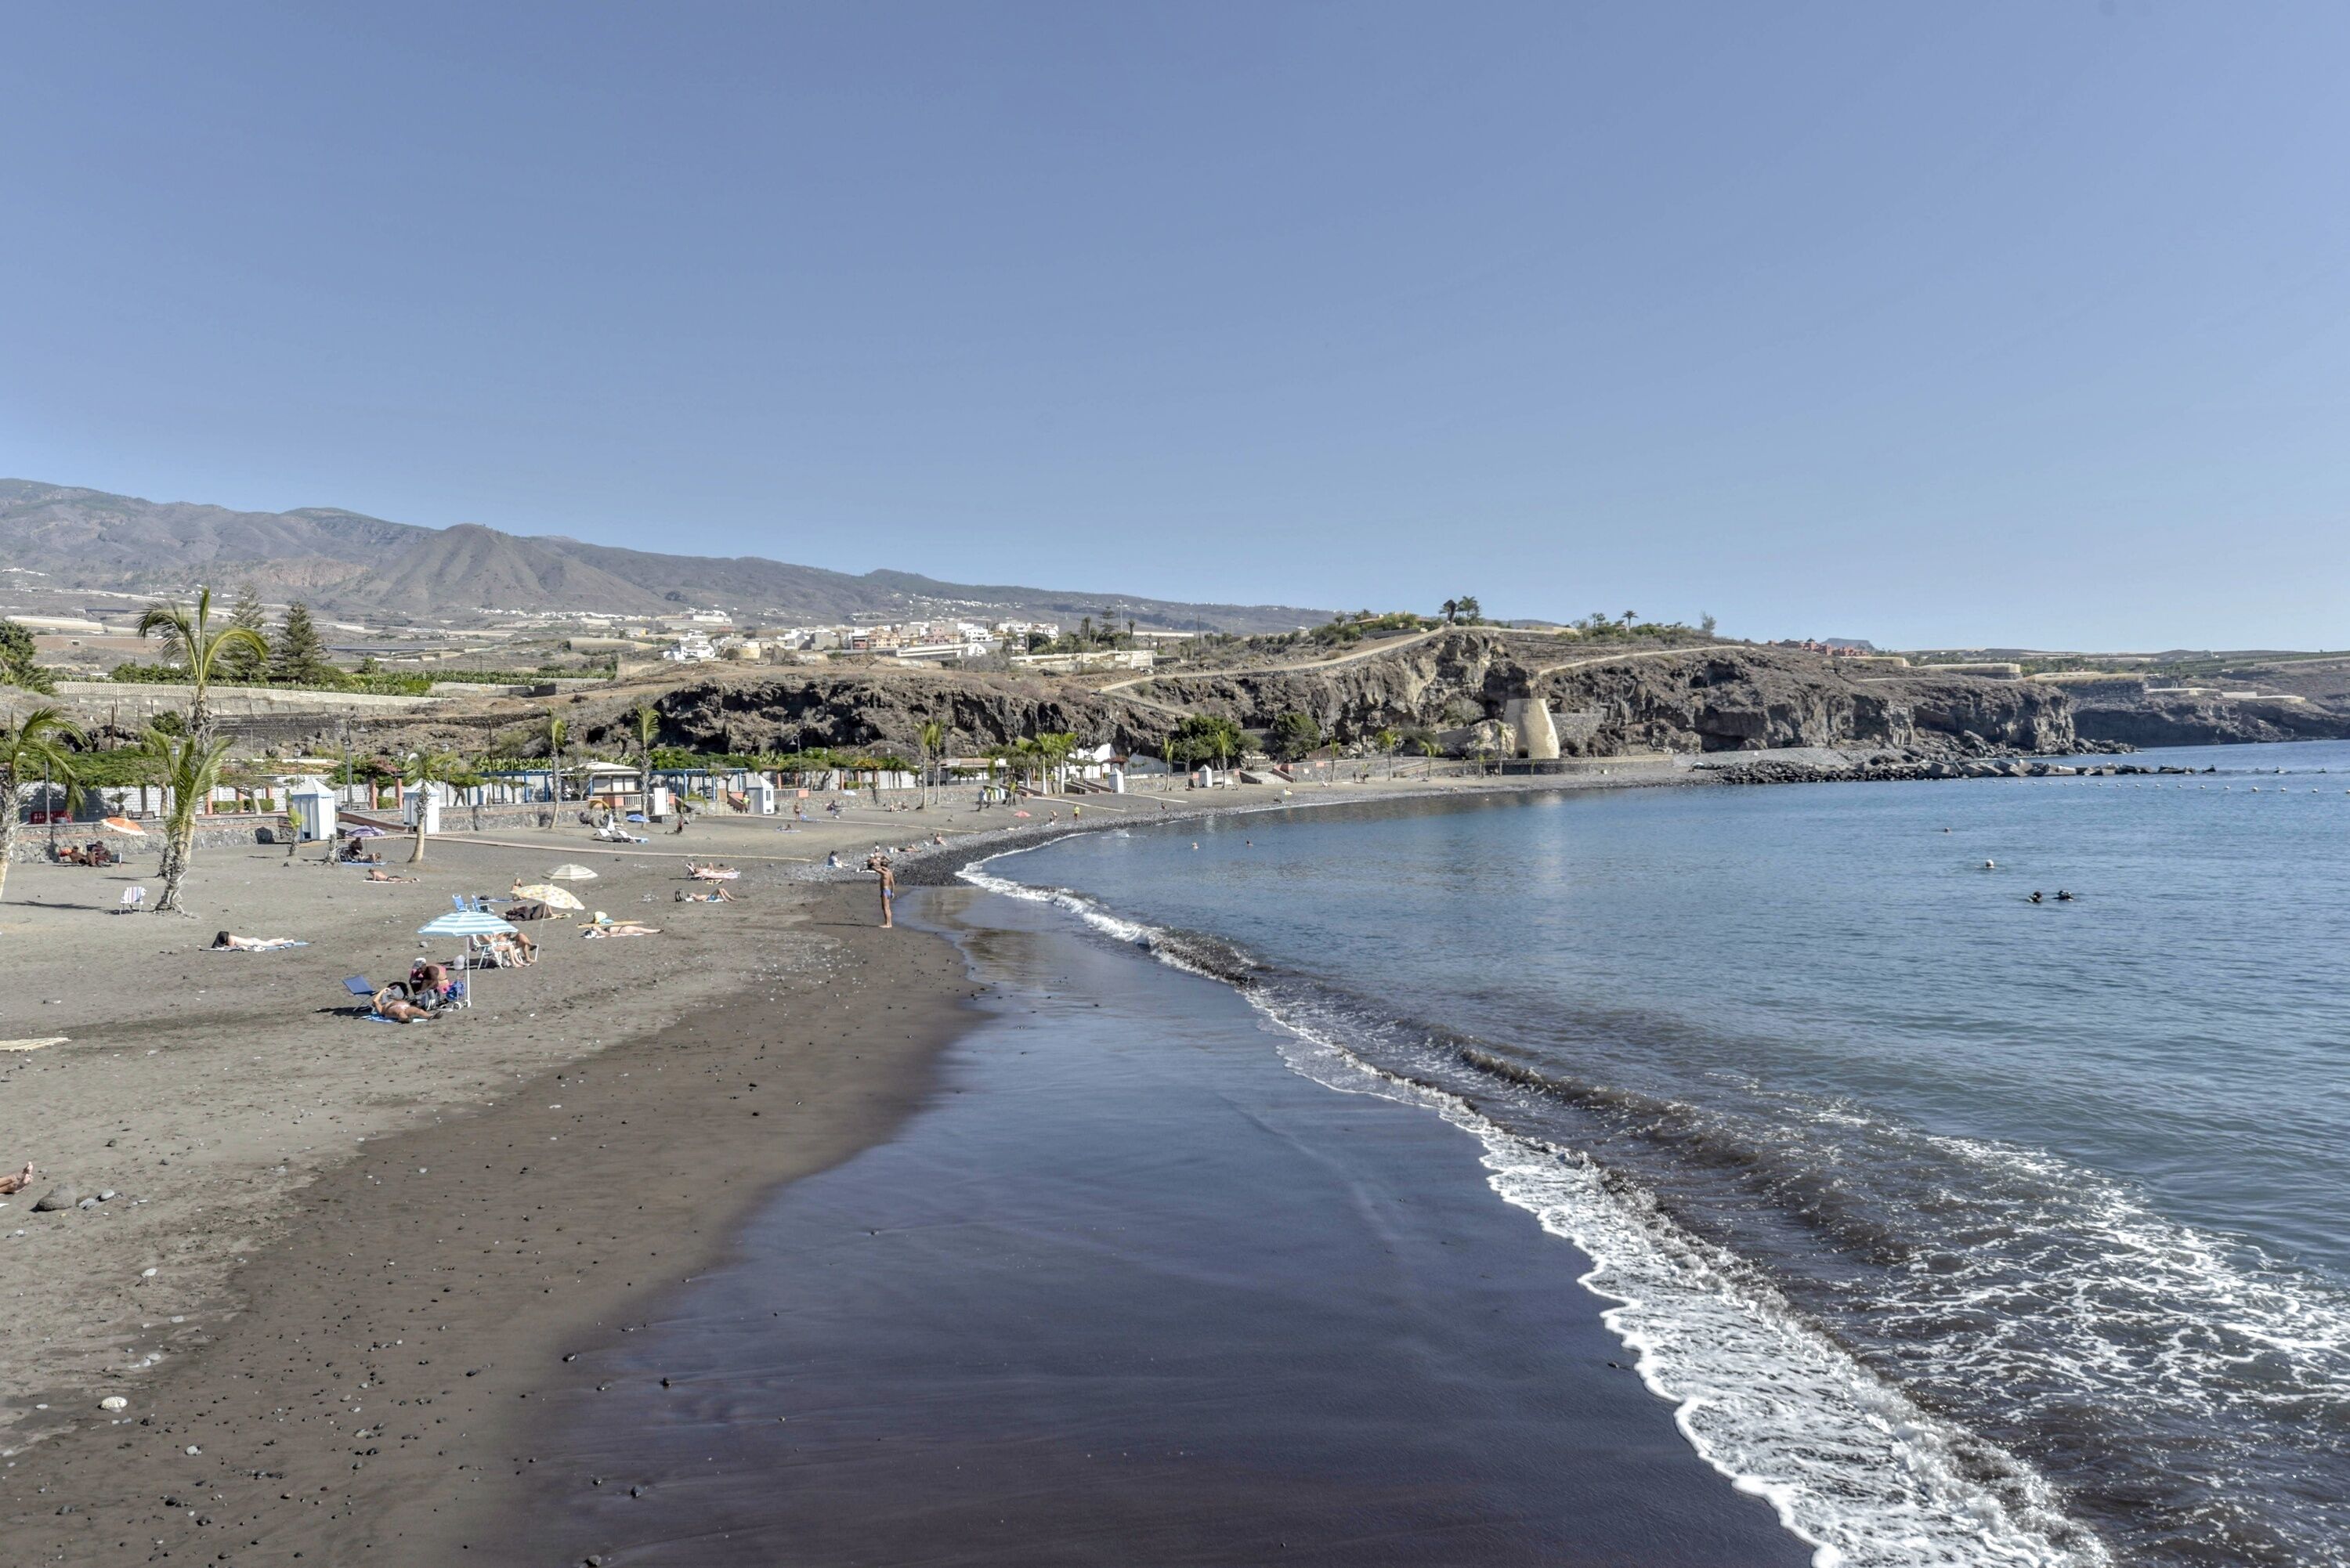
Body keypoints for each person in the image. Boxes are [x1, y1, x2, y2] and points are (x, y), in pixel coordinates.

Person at [867, 851, 896, 928]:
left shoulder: (884, 873)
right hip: (889, 891)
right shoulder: (890, 873)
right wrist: (893, 892)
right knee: (887, 908)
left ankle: (888, 924)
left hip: (885, 891)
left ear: (883, 867)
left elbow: (872, 868)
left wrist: (873, 862)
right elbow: (893, 883)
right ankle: (889, 923)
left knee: (885, 908)